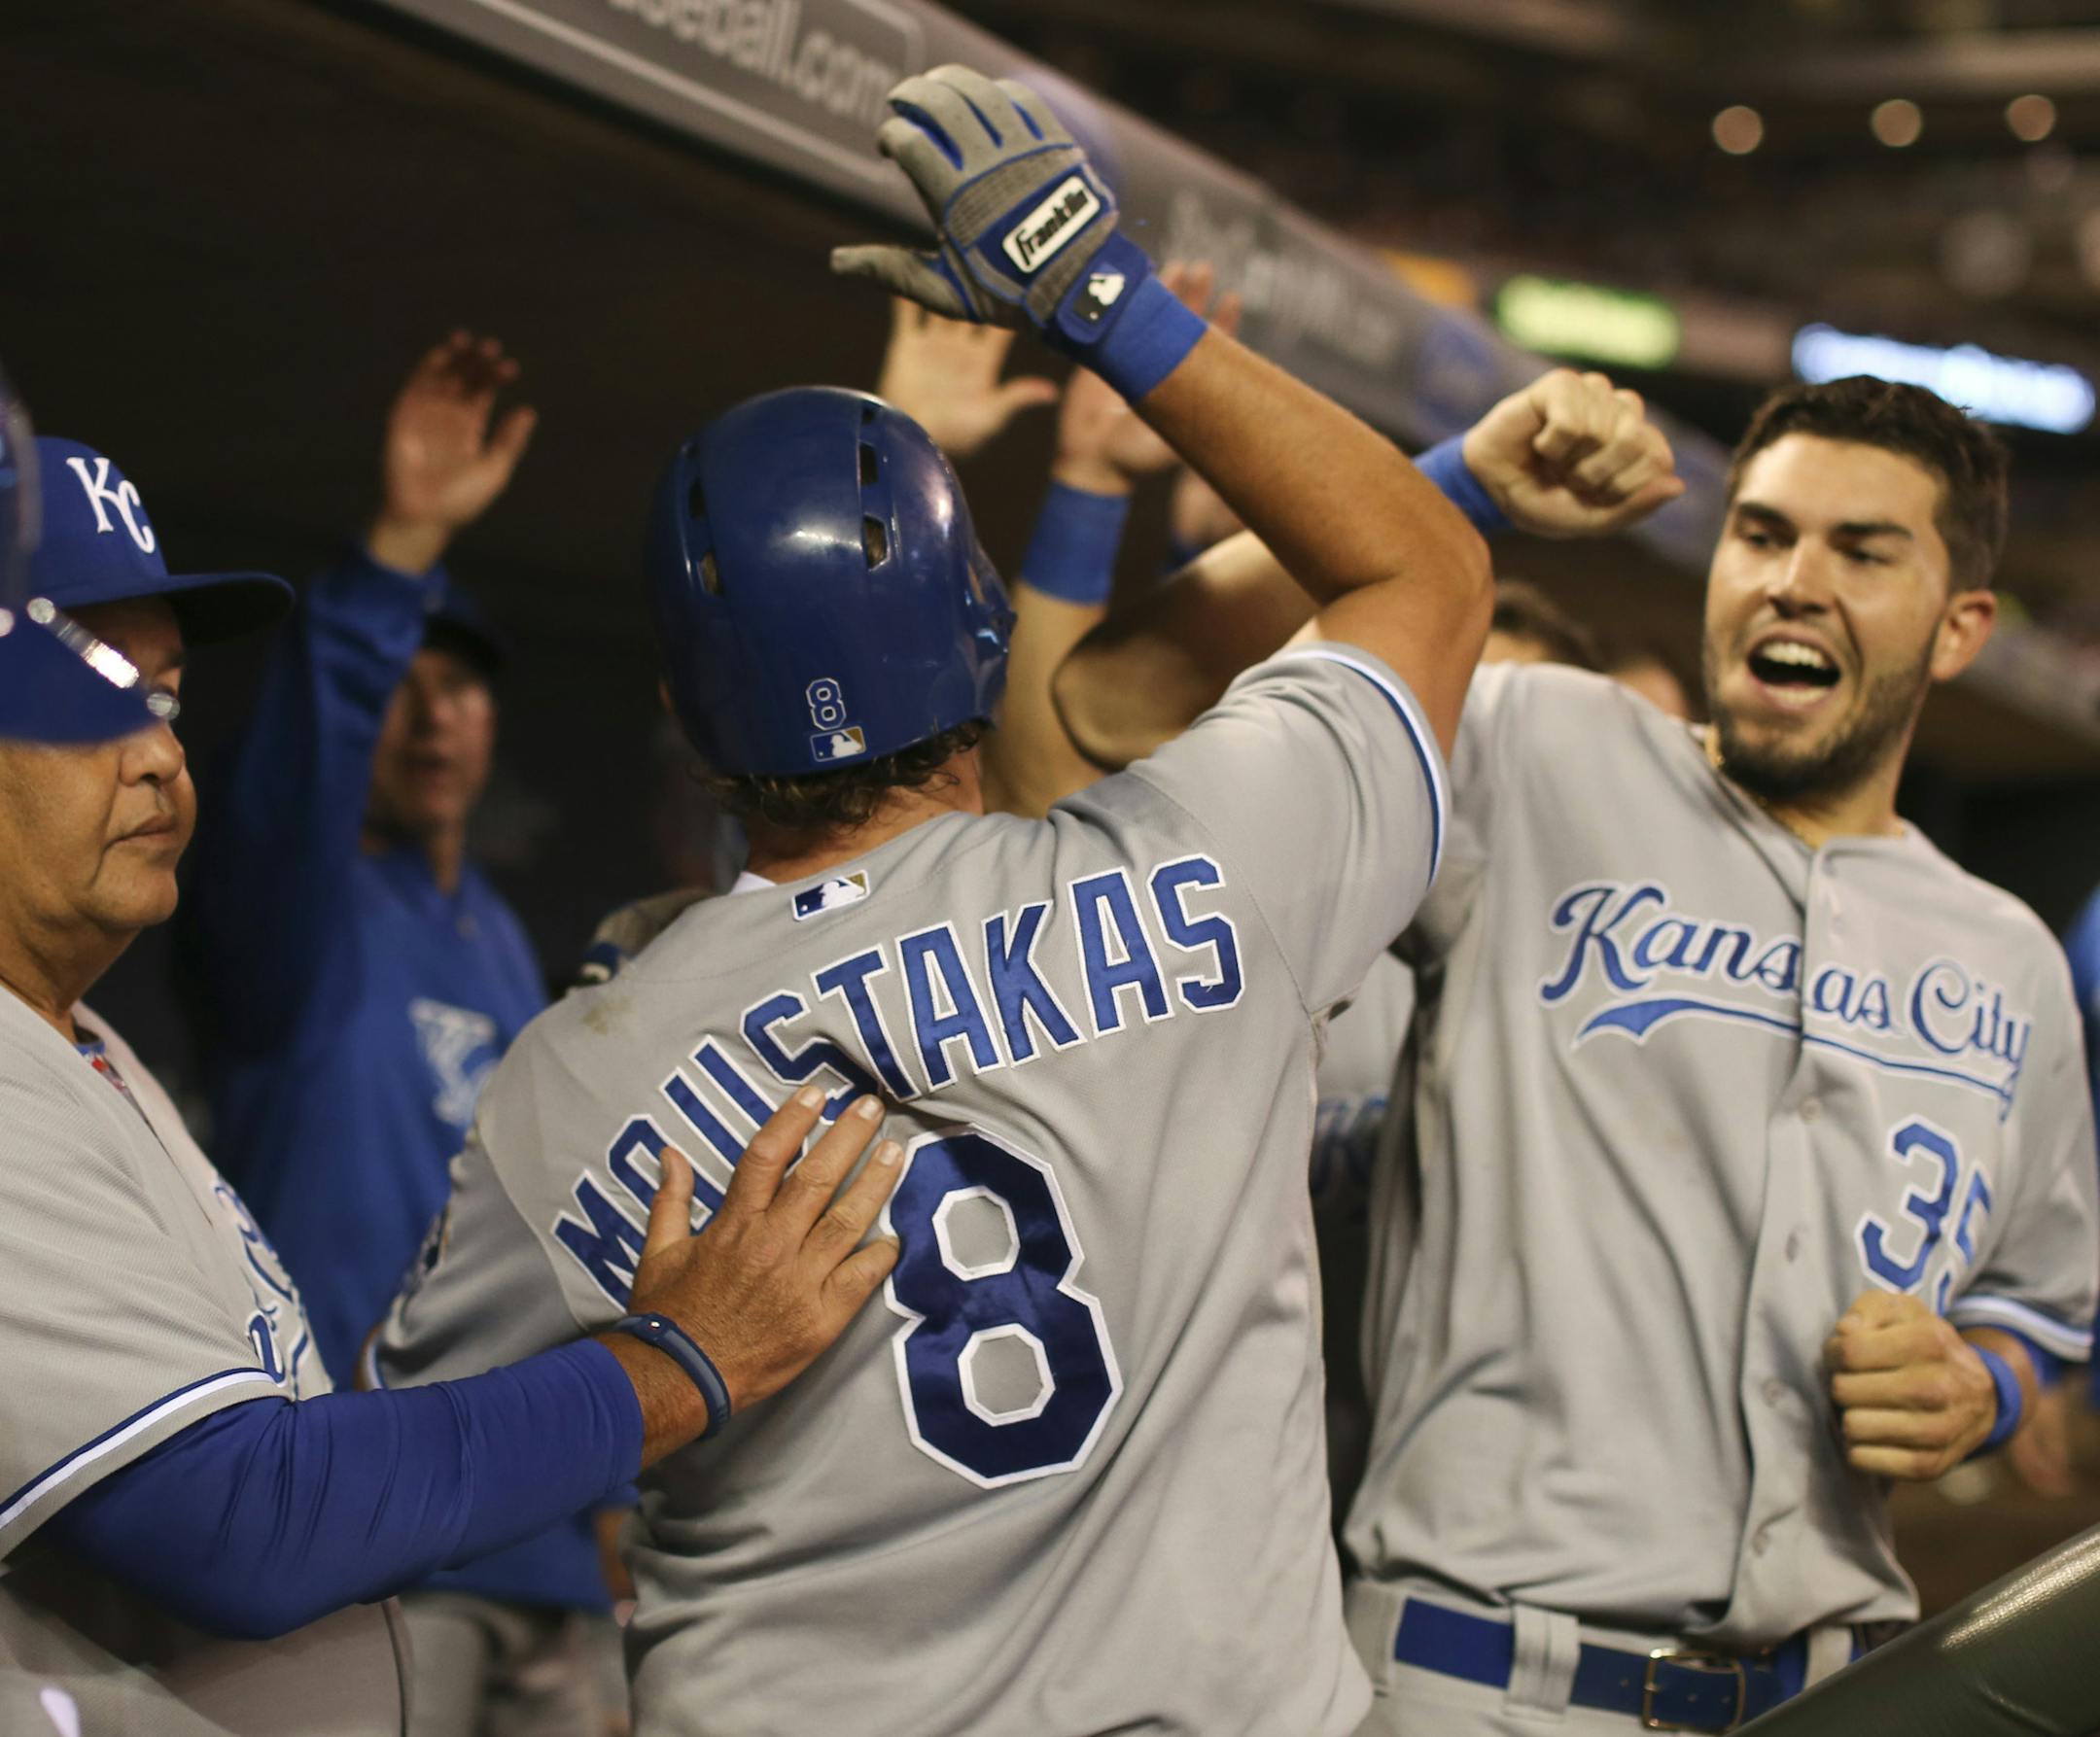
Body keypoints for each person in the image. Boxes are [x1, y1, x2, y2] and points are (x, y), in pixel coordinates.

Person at [369, 63, 1490, 1733]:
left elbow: (405, 1467)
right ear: (981, 632)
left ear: (685, 715)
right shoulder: (1213, 857)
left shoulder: (569, 1089)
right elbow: (1422, 562)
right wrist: (1096, 291)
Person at [1056, 374, 2099, 1733]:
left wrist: (1982, 1380)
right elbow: (1124, 702)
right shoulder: (1536, 748)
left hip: (1834, 1694)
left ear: (1960, 628)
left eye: (1862, 550)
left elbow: (2046, 1294)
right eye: (1764, 534)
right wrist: (1457, 491)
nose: (1793, 580)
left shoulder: (2007, 952)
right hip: (1477, 1685)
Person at [0, 434, 905, 1735]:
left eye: (165, 699)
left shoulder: (82, 1037)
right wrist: (671, 1367)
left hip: (459, 1545)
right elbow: (245, 1519)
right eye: (86, 696)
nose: (156, 756)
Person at [174, 335, 630, 1730]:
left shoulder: (499, 938)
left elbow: (561, 1231)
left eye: (467, 683)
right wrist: (403, 549)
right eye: (405, 686)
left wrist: (610, 1505)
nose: (435, 715)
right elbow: (300, 769)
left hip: (547, 1547)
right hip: (371, 1546)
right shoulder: (291, 911)